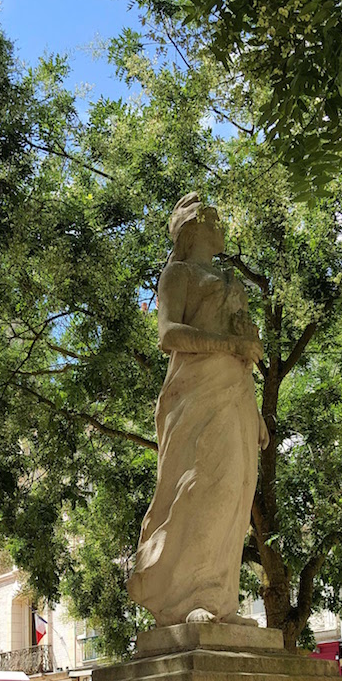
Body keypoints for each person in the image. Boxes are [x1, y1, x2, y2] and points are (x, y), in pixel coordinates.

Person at [127, 193, 269, 627]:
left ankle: (220, 601)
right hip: (194, 396)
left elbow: (248, 353)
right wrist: (229, 345)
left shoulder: (233, 282)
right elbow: (168, 333)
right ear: (191, 228)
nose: (220, 224)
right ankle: (185, 597)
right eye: (212, 219)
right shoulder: (179, 273)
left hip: (235, 393)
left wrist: (257, 407)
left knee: (237, 491)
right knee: (204, 486)